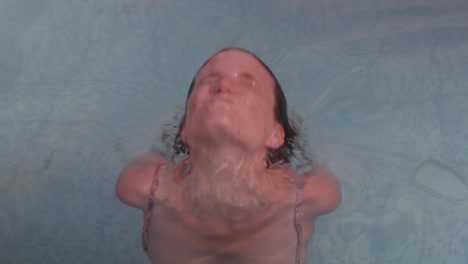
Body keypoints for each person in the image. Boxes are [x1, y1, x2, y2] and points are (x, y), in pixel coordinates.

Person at [115, 47, 341, 264]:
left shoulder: (312, 196)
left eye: (248, 83)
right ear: (185, 129)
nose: (223, 85)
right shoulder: (140, 188)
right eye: (209, 80)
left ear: (276, 133)